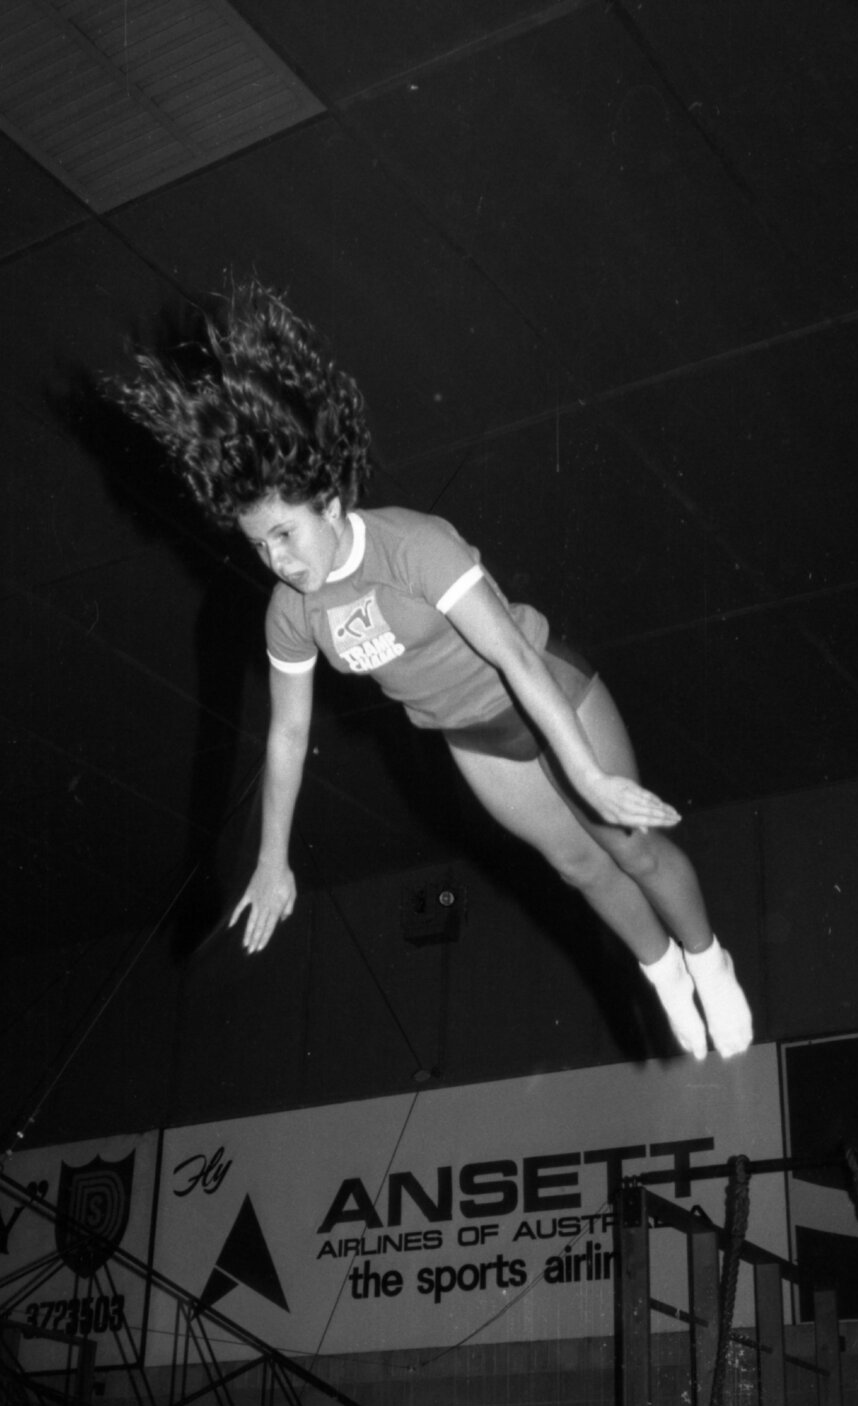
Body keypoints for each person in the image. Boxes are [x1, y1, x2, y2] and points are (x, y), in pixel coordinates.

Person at [111, 278, 753, 1061]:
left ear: (322, 497)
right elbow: (286, 735)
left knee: (629, 848)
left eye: (282, 534)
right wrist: (273, 858)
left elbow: (512, 657)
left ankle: (706, 958)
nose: (277, 559)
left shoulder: (415, 547)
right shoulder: (291, 610)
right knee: (580, 867)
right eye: (259, 546)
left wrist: (583, 772)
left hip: (551, 693)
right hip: (473, 737)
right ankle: (661, 973)